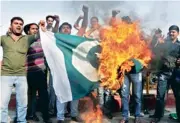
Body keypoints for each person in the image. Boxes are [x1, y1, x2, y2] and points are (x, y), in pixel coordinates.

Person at [0, 17, 44, 123]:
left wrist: (41, 26)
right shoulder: (3, 38)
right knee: (2, 104)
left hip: (21, 75)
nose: (19, 25)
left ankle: (21, 121)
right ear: (11, 26)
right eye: (16, 23)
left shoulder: (26, 39)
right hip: (6, 75)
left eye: (21, 23)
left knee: (23, 104)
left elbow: (38, 35)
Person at [150, 25, 180, 123]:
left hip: (176, 74)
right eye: (170, 31)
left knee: (178, 96)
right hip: (164, 74)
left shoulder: (179, 45)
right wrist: (155, 37)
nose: (172, 33)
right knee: (160, 96)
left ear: (178, 33)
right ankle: (158, 115)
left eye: (174, 32)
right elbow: (154, 49)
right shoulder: (164, 43)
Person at [24, 23, 51, 123]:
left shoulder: (42, 41)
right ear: (28, 31)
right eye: (33, 29)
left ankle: (46, 116)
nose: (35, 30)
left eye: (36, 29)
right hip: (29, 72)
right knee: (31, 96)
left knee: (44, 95)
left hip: (41, 72)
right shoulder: (25, 40)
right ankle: (31, 115)